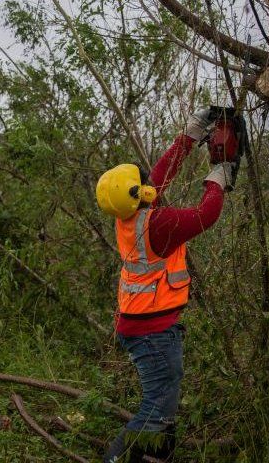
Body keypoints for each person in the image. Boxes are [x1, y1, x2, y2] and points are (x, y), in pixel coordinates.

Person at [94, 112, 232, 462]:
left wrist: (191, 135)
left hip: (141, 324)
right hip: (153, 331)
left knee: (161, 409)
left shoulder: (128, 216)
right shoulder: (159, 223)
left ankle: (155, 457)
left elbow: (159, 176)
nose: (148, 181)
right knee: (156, 411)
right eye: (142, 182)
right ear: (139, 193)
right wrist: (219, 176)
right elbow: (207, 214)